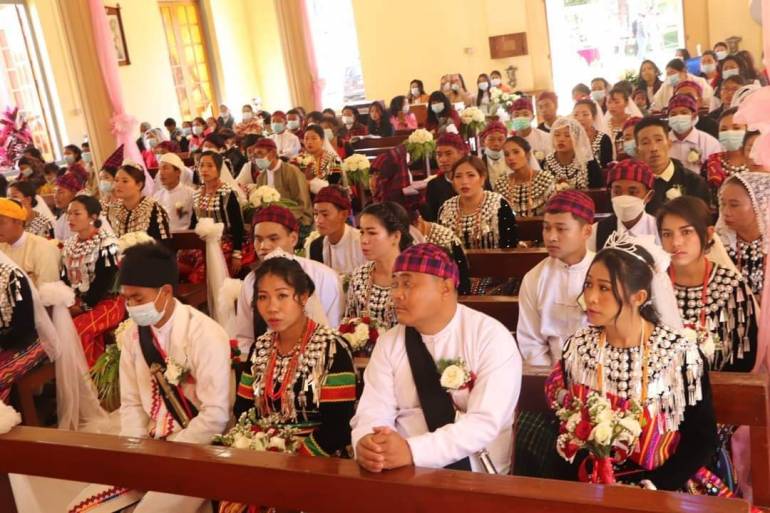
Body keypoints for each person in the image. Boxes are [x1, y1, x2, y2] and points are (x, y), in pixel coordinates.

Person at [546, 232, 726, 496]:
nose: (591, 297)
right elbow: (568, 428)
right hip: (591, 483)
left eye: (604, 288)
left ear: (639, 297)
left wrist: (656, 485)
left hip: (661, 484)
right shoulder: (578, 347)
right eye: (588, 285)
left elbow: (701, 438)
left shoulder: (678, 354)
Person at [68, 241, 231, 512]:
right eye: (126, 298)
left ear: (165, 292)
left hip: (198, 448)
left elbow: (215, 416)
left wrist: (171, 454)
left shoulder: (204, 334)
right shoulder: (133, 334)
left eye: (138, 299)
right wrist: (135, 450)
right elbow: (131, 403)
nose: (130, 306)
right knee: (81, 508)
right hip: (152, 445)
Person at [351, 243, 522, 473]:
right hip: (399, 470)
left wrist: (412, 451)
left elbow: (483, 424)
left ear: (445, 286)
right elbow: (373, 409)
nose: (396, 294)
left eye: (408, 284)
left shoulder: (490, 337)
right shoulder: (389, 342)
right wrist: (367, 442)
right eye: (395, 283)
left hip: (472, 474)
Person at [228, 257, 355, 487]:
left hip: (318, 463)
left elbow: (338, 426)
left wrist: (294, 460)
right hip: (264, 457)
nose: (272, 307)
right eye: (263, 297)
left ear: (303, 297)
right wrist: (255, 446)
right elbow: (243, 408)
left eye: (282, 296)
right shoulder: (261, 346)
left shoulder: (332, 348)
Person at [658, 196, 758, 373]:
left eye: (686, 232)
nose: (676, 242)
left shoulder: (731, 286)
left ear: (708, 234)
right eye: (667, 234)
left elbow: (745, 354)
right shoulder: (652, 286)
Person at [235, 206, 343, 354]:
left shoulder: (324, 277)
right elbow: (245, 337)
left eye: (273, 239)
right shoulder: (251, 280)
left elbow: (334, 332)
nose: (263, 246)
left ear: (293, 239)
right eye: (258, 239)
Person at [517, 190, 594, 367]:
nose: (551, 237)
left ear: (586, 231)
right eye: (546, 228)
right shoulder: (535, 278)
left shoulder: (605, 273)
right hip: (551, 372)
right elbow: (531, 341)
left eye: (561, 229)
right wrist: (552, 381)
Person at [61, 195, 123, 366]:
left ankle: (88, 379)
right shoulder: (69, 244)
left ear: (93, 217)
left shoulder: (107, 244)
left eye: (76, 214)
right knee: (56, 325)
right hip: (77, 301)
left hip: (107, 301)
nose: (70, 218)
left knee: (79, 329)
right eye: (69, 214)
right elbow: (65, 278)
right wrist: (68, 303)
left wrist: (82, 306)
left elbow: (104, 282)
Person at [345, 202, 412, 331]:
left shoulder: (413, 276)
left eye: (372, 233)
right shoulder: (360, 275)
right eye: (362, 232)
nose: (364, 240)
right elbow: (349, 320)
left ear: (396, 237)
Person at [438, 156, 518, 249]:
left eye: (471, 175)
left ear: (482, 178)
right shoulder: (446, 209)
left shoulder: (498, 205)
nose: (464, 181)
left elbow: (510, 246)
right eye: (458, 176)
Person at [193, 151, 250, 276]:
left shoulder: (227, 193)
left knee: (201, 270)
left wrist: (237, 253)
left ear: (219, 169)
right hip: (202, 243)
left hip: (226, 243)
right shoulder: (197, 194)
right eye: (201, 165)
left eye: (209, 166)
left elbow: (237, 226)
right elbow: (194, 224)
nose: (204, 170)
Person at [634, 117, 710, 210]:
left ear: (669, 143)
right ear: (637, 151)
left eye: (658, 140)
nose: (654, 148)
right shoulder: (633, 183)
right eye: (645, 143)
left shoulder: (694, 182)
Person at [716, 172, 770, 299]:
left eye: (734, 205)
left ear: (760, 205)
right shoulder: (719, 245)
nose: (725, 212)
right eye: (723, 204)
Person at [589, 159, 660, 251]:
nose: (624, 197)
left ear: (648, 196)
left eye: (632, 192)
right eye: (617, 192)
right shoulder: (597, 231)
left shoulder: (659, 230)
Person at [249, 138, 313, 227]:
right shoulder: (261, 177)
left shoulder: (291, 171)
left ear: (272, 153)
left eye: (260, 153)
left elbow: (302, 204)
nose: (257, 158)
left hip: (296, 220)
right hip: (272, 221)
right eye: (255, 155)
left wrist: (280, 217)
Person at [0, 197, 60, 288]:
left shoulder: (43, 248)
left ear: (18, 222)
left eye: (1, 222)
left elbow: (49, 294)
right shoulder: (1, 246)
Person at [305, 186, 365, 275]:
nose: (318, 220)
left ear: (344, 215)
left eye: (325, 214)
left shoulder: (362, 243)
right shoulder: (316, 246)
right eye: (316, 214)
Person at [495, 136, 555, 217]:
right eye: (506, 154)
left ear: (528, 154)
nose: (511, 158)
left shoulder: (545, 180)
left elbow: (554, 213)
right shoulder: (501, 184)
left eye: (516, 152)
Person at [108, 164, 170, 241]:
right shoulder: (113, 209)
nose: (118, 184)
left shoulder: (154, 210)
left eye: (125, 181)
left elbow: (163, 247)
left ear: (139, 185)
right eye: (116, 180)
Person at [667, 94, 723, 175]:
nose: (679, 117)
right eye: (673, 114)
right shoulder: (662, 142)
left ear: (694, 115)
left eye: (684, 113)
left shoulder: (710, 143)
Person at [543, 117, 603, 190]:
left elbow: (597, 191)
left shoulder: (588, 162)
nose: (561, 139)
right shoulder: (546, 163)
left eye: (567, 135)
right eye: (557, 135)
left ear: (577, 139)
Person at [703, 107, 750, 195]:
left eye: (736, 128)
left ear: (748, 130)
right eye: (723, 129)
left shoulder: (757, 163)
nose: (729, 133)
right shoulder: (711, 163)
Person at [424, 133, 467, 222]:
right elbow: (432, 221)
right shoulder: (433, 185)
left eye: (448, 154)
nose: (442, 159)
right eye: (439, 155)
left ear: (461, 154)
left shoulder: (476, 180)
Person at [152, 152, 195, 232]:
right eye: (159, 169)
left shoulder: (190, 194)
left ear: (178, 172)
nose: (161, 173)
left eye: (165, 168)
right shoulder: (157, 196)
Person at [297, 125, 345, 189]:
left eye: (314, 138)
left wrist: (310, 184)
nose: (309, 142)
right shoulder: (301, 158)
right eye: (306, 138)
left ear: (322, 140)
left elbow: (334, 184)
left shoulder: (332, 160)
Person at [510, 97, 552, 165]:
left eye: (525, 114)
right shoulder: (509, 140)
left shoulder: (545, 137)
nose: (521, 117)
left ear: (533, 117)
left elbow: (550, 163)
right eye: (516, 115)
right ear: (511, 118)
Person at [573, 99, 614, 168]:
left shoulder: (604, 139)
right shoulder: (570, 137)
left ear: (594, 117)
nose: (580, 118)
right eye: (576, 115)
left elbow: (607, 167)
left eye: (585, 114)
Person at [52, 168, 87, 241]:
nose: (55, 196)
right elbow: (59, 245)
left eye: (60, 192)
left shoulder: (86, 215)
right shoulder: (60, 221)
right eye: (54, 192)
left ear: (74, 192)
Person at [480, 121, 509, 185]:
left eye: (500, 139)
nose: (496, 143)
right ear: (483, 141)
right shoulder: (479, 162)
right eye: (491, 139)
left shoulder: (511, 160)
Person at [605, 87, 631, 154]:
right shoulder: (605, 124)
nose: (612, 106)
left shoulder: (633, 122)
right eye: (609, 102)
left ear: (626, 103)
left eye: (617, 102)